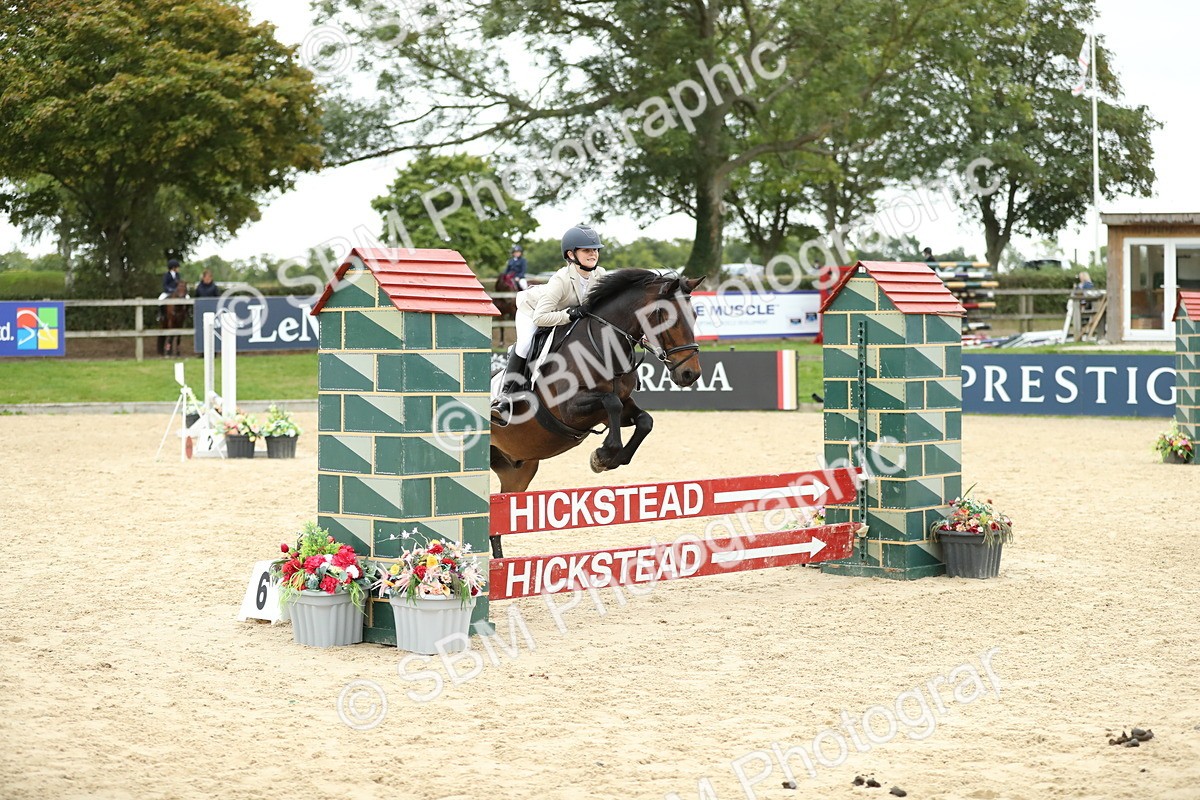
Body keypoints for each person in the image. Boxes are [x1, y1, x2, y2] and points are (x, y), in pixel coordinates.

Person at [492, 225, 607, 416]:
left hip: (562, 312)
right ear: (571, 254)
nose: (593, 254)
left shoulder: (600, 274)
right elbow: (541, 317)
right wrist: (570, 314)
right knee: (525, 344)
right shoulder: (561, 279)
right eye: (587, 250)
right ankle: (505, 396)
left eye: (595, 249)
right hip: (533, 311)